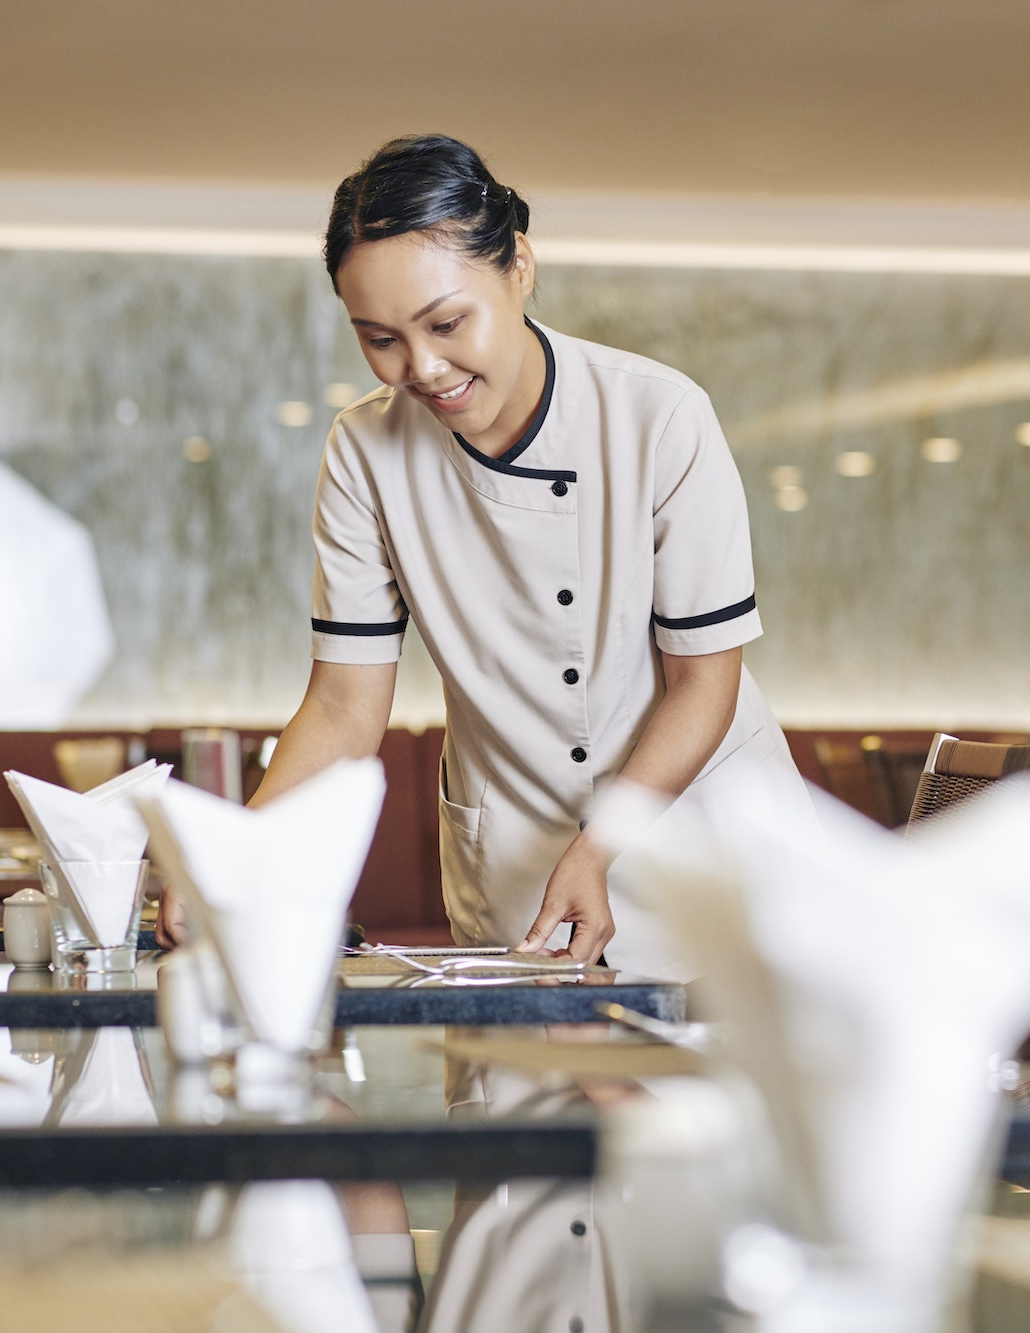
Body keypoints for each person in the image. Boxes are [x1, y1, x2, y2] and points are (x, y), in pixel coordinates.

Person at [155, 134, 807, 975]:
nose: (422, 368)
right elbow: (345, 706)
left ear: (519, 266)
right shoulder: (364, 451)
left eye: (446, 322)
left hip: (705, 851)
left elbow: (703, 684)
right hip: (520, 877)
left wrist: (600, 848)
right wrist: (235, 851)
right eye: (380, 338)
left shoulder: (659, 417)